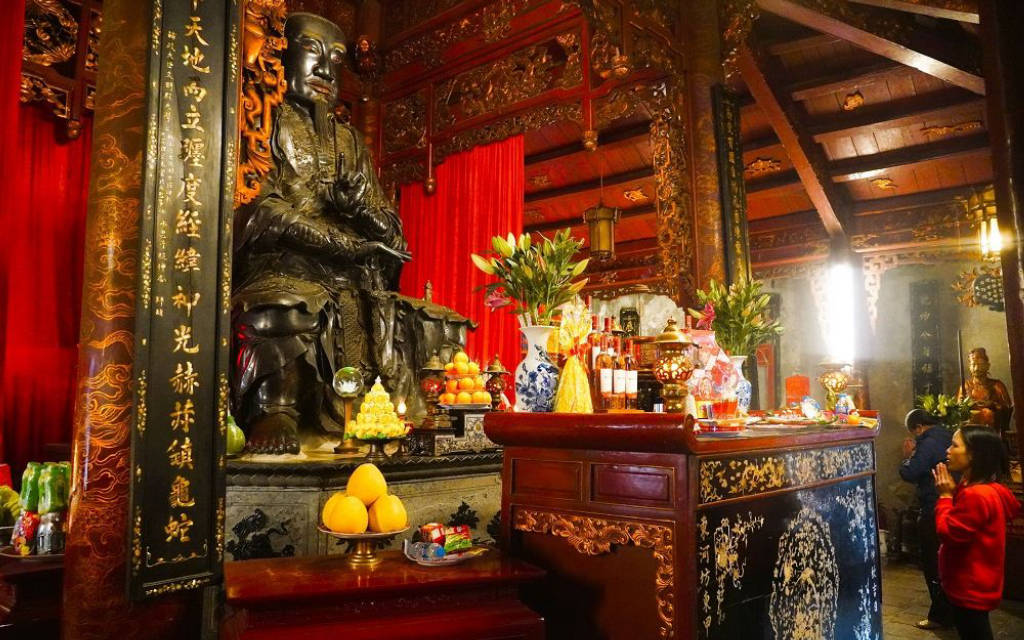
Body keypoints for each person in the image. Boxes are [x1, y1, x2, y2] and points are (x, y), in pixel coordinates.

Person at [932, 426, 1022, 640]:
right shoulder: (988, 488)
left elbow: (949, 533)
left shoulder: (977, 495)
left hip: (969, 584)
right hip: (980, 580)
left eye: (955, 445)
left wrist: (945, 497)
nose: (948, 450)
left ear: (973, 455)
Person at [899, 408, 954, 629]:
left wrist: (907, 457)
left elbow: (910, 472)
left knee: (933, 562)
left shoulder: (927, 442)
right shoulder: (948, 435)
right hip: (951, 503)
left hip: (934, 506)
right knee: (947, 562)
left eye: (914, 432)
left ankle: (940, 616)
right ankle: (950, 612)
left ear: (919, 427)